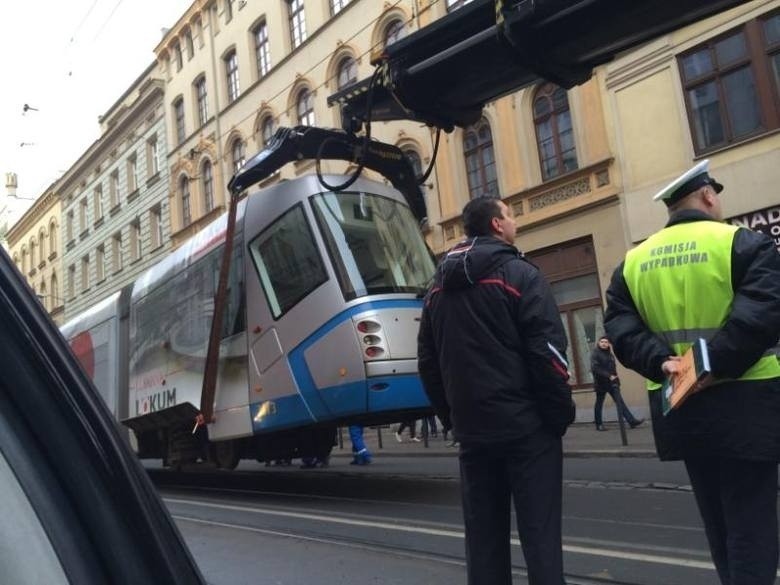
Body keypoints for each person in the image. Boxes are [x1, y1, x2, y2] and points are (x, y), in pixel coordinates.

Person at [604, 159, 780, 585]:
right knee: (752, 528)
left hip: (680, 406)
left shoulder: (634, 261)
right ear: (707, 196)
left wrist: (663, 362)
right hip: (745, 405)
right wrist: (711, 363)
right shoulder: (742, 243)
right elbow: (761, 315)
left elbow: (621, 328)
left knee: (717, 522)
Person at [418, 196, 575, 585]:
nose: (514, 220)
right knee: (540, 536)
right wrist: (558, 416)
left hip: (473, 433)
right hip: (527, 429)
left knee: (484, 540)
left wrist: (453, 418)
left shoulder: (436, 289)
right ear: (496, 225)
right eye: (509, 214)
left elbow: (428, 363)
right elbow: (549, 353)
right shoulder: (520, 274)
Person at [590, 336, 643, 430]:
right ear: (598, 343)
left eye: (606, 342)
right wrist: (608, 376)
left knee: (620, 402)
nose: (604, 343)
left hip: (612, 383)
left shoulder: (610, 354)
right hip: (601, 383)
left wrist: (616, 380)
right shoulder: (595, 353)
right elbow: (595, 368)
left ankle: (631, 421)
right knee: (599, 403)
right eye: (602, 342)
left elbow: (613, 369)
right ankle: (599, 424)